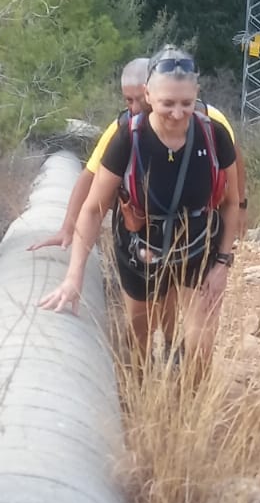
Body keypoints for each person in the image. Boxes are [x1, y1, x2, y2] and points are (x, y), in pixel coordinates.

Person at [39, 48, 238, 368]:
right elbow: (93, 209)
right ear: (148, 95)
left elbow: (231, 202)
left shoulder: (213, 135)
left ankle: (187, 395)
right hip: (141, 252)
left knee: (201, 347)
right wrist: (74, 277)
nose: (178, 113)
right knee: (140, 339)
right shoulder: (127, 139)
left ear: (197, 95)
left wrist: (223, 263)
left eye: (186, 103)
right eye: (167, 103)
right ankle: (141, 387)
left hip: (198, 249)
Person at [30, 53, 248, 250]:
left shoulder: (208, 120)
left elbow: (233, 157)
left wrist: (241, 206)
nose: (134, 108)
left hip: (199, 225)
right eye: (128, 100)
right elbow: (90, 175)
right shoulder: (123, 129)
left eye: (140, 100)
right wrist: (67, 228)